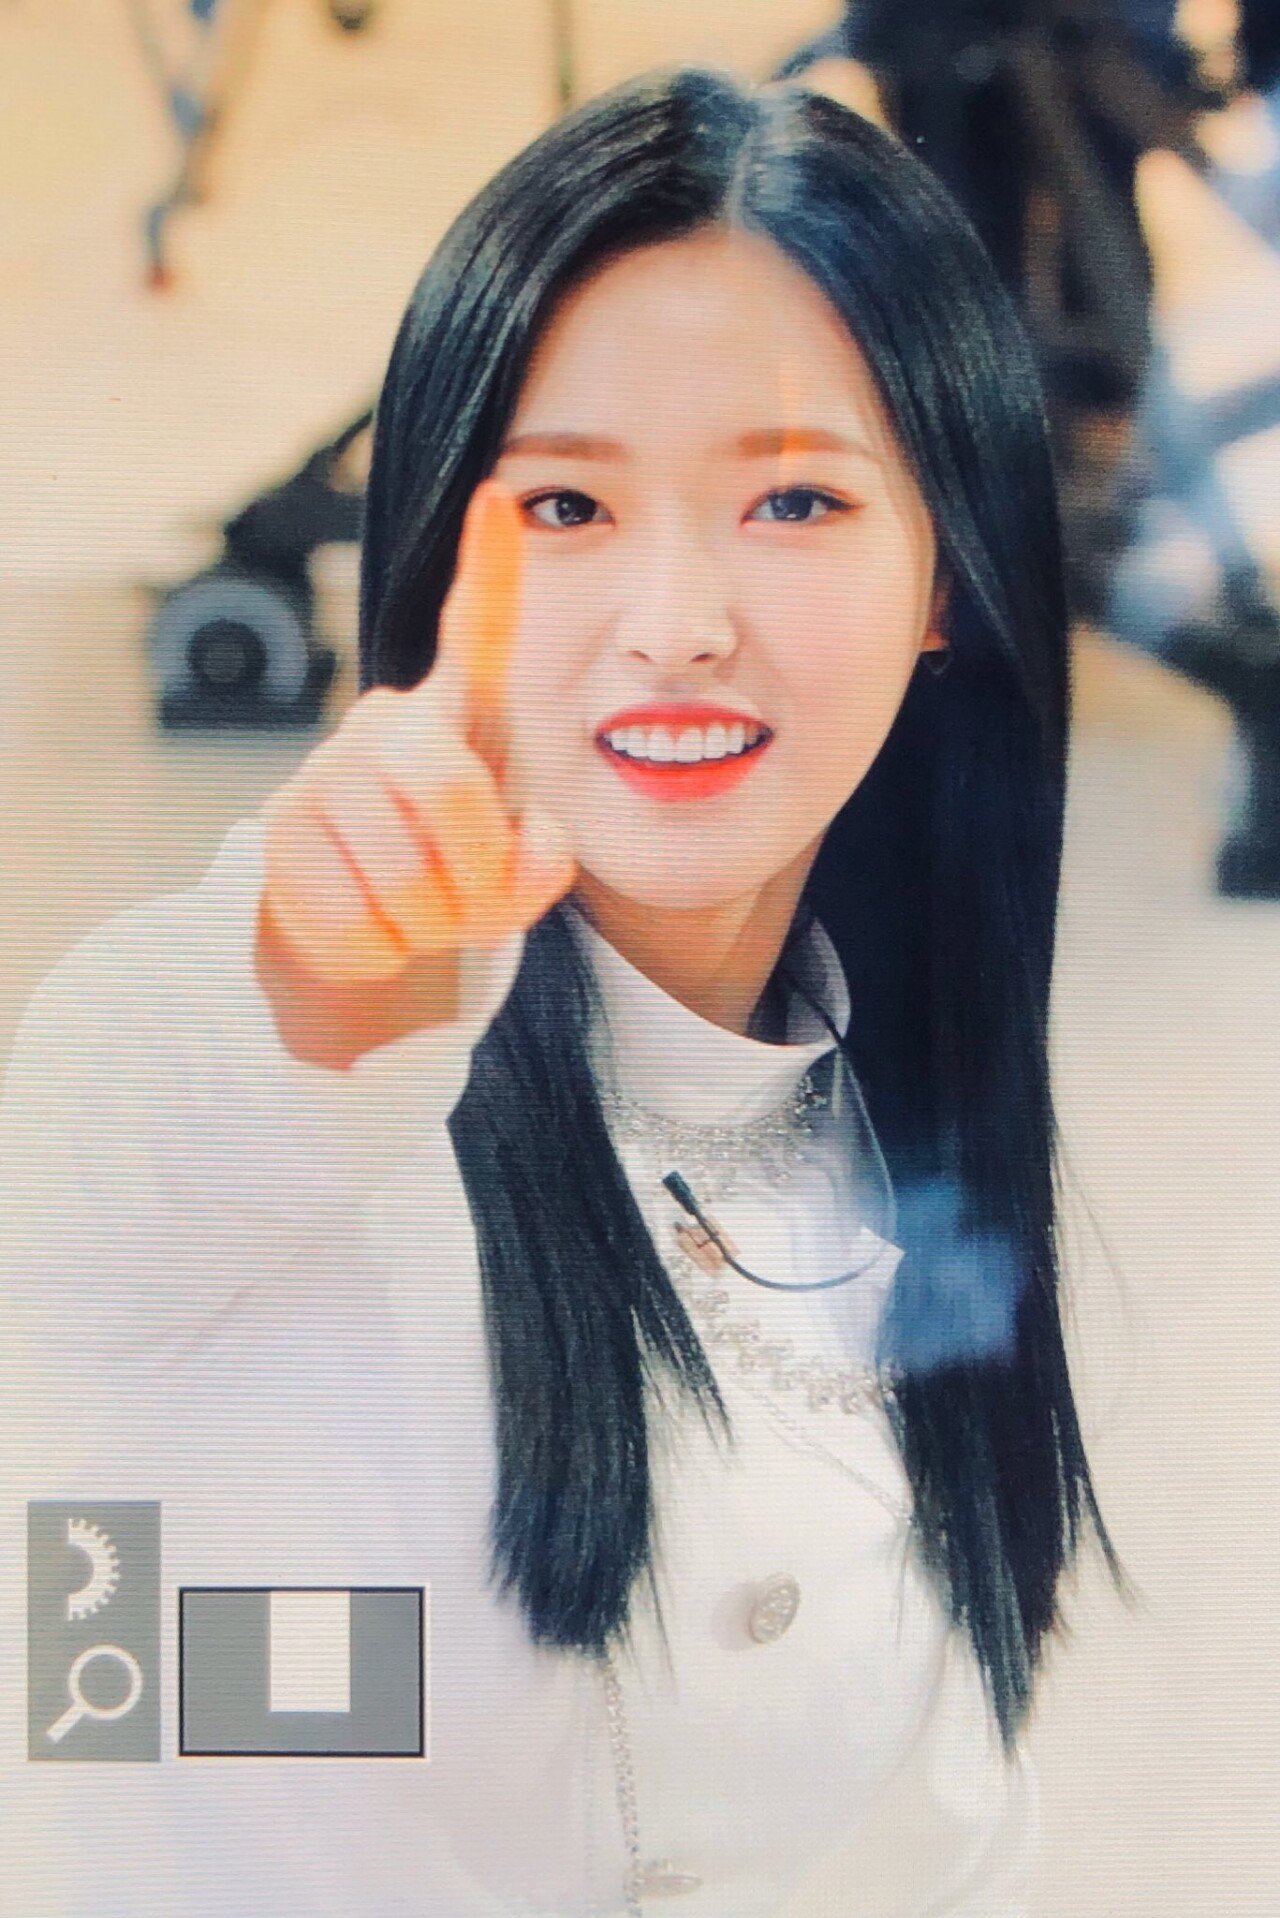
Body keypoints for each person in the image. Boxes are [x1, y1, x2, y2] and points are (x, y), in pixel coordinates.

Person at [0, 67, 1129, 1915]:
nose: (676, 622)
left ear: (949, 574)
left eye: (793, 499)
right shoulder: (263, 1098)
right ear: (437, 548)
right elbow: (119, 1151)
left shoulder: (905, 1128)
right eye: (570, 506)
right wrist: (318, 983)